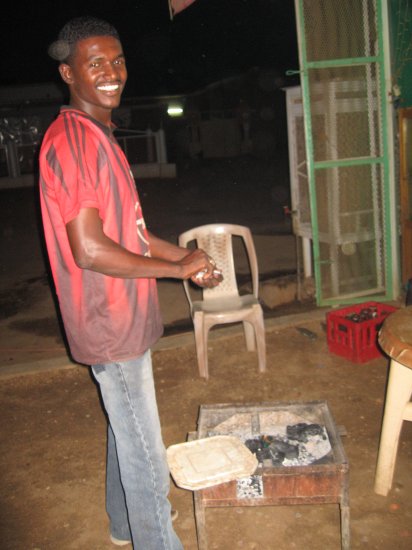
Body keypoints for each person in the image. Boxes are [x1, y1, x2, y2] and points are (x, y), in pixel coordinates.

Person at [39, 16, 222, 549]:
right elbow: (90, 250)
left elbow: (132, 236)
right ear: (68, 73)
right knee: (145, 450)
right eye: (95, 63)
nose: (112, 72)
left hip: (125, 316)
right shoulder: (73, 140)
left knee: (128, 430)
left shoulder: (100, 136)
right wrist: (174, 271)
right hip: (109, 323)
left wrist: (185, 258)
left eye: (117, 60)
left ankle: (122, 527)